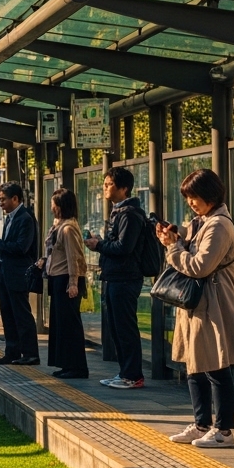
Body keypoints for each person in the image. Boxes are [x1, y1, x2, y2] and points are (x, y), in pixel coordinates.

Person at [159, 168, 234, 449]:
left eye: (194, 197)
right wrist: (174, 239)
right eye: (187, 197)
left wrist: (174, 248)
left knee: (216, 366)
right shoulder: (201, 222)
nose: (191, 203)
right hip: (198, 304)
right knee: (195, 365)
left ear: (210, 195)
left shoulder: (219, 225)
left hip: (214, 304)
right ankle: (201, 423)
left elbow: (200, 266)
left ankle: (223, 430)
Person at [85, 166, 147, 390]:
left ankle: (133, 375)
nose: (105, 188)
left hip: (125, 278)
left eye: (109, 184)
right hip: (115, 277)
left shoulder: (129, 214)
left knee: (125, 328)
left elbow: (124, 247)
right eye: (105, 184)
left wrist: (99, 245)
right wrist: (101, 243)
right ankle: (125, 372)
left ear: (124, 188)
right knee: (117, 328)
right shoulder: (119, 212)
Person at [0, 182, 39, 366]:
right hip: (5, 272)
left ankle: (30, 353)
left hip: (18, 273)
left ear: (15, 199)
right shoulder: (10, 218)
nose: (1, 204)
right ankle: (12, 351)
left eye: (3, 200)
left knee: (21, 314)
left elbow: (21, 247)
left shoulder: (25, 218)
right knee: (8, 315)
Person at [41, 189, 88, 379]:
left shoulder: (68, 229)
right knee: (61, 324)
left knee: (69, 325)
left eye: (54, 203)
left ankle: (76, 367)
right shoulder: (59, 226)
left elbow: (73, 257)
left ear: (60, 206)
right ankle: (66, 364)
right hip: (58, 279)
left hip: (66, 280)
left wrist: (73, 282)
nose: (51, 207)